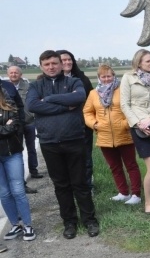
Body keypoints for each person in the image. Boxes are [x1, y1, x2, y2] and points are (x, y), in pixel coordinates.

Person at [26, 50, 99, 238]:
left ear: (60, 64)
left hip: (74, 140)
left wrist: (48, 100)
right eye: (47, 64)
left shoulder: (72, 82)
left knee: (80, 183)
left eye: (54, 63)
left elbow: (78, 97)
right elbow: (32, 105)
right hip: (50, 143)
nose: (51, 67)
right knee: (61, 185)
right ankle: (69, 222)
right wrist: (65, 107)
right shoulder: (36, 85)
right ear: (41, 66)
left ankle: (90, 220)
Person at [83, 64, 142, 205]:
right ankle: (123, 192)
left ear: (114, 76)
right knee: (114, 166)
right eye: (103, 76)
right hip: (104, 136)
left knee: (131, 165)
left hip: (124, 134)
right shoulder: (93, 93)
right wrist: (94, 124)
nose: (106, 79)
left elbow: (132, 107)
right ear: (99, 77)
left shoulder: (122, 90)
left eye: (109, 76)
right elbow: (87, 112)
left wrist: (125, 123)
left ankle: (136, 194)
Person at [120, 49, 150, 215]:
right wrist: (139, 123)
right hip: (139, 127)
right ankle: (148, 203)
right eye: (148, 61)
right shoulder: (128, 78)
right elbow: (124, 105)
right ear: (139, 62)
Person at [0, 84, 36, 242]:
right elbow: (6, 129)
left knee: (18, 190)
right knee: (4, 193)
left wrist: (7, 128)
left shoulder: (9, 105)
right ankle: (15, 224)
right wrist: (4, 127)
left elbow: (13, 127)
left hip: (11, 153)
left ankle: (28, 225)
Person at [57, 50, 95, 188]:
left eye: (69, 59)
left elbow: (90, 99)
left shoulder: (82, 79)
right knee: (66, 159)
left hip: (82, 124)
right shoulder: (51, 82)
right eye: (63, 60)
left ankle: (87, 185)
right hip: (61, 127)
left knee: (85, 157)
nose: (67, 62)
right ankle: (71, 185)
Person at [6, 65, 42, 179]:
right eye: (11, 73)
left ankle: (34, 170)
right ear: (8, 74)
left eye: (16, 72)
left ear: (20, 74)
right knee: (18, 150)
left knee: (31, 148)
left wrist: (33, 115)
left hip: (29, 122)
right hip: (15, 124)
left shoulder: (28, 87)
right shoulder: (5, 88)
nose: (13, 74)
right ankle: (20, 175)